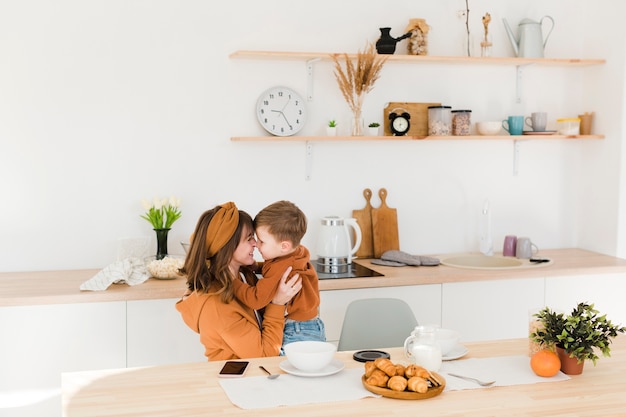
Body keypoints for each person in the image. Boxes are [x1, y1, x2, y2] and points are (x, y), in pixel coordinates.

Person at [176, 202, 302, 361]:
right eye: (249, 238)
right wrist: (277, 303)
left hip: (259, 375)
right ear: (227, 246)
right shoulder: (215, 306)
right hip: (236, 380)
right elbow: (264, 355)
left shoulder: (244, 275)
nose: (255, 243)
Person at [231, 200, 326, 347]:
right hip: (311, 325)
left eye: (262, 241)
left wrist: (233, 282)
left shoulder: (281, 265)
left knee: (285, 368)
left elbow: (256, 299)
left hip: (297, 330)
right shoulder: (295, 253)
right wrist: (257, 267)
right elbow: (276, 269)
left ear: (284, 246)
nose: (256, 244)